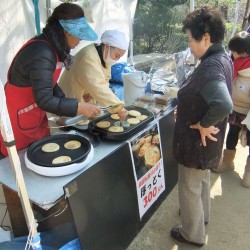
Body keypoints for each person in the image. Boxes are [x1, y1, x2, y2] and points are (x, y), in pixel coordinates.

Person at [0, 3, 101, 156]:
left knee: (40, 154)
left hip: (33, 113)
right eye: (78, 34)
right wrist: (78, 107)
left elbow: (49, 84)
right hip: (19, 117)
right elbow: (45, 99)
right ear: (66, 31)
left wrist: (64, 104)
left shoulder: (52, 46)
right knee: (22, 163)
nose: (80, 39)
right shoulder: (42, 52)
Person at [171, 6, 233, 247]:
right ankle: (202, 217)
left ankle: (191, 234)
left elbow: (223, 104)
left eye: (190, 39)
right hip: (209, 146)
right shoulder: (222, 57)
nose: (189, 45)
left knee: (189, 187)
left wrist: (204, 124)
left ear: (206, 37)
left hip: (196, 144)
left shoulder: (209, 66)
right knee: (202, 181)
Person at [58, 29, 129, 120]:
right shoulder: (89, 57)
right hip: (68, 100)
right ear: (107, 47)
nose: (117, 59)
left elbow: (104, 82)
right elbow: (98, 86)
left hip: (83, 101)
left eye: (120, 57)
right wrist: (118, 106)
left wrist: (92, 95)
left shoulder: (104, 56)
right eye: (117, 55)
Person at [212, 31, 250, 187]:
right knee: (232, 133)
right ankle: (228, 161)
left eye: (234, 51)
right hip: (236, 107)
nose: (231, 53)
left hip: (248, 110)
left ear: (243, 52)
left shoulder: (239, 62)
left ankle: (248, 173)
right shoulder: (235, 60)